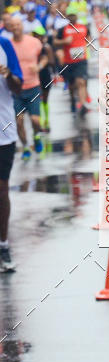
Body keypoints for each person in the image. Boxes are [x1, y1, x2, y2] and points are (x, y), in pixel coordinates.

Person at [0, 33, 22, 271]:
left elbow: (18, 85)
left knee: (2, 190)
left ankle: (3, 245)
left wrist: (7, 75)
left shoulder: (4, 45)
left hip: (3, 133)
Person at [11, 17, 43, 157]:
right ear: (10, 28)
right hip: (16, 90)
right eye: (13, 25)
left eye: (18, 25)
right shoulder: (8, 45)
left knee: (35, 120)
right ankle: (25, 147)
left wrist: (39, 66)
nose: (16, 28)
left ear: (22, 26)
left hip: (33, 87)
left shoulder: (34, 42)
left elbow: (45, 57)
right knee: (19, 121)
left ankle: (36, 137)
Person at [53, 2, 89, 116]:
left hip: (81, 60)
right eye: (70, 15)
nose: (72, 17)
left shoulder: (83, 27)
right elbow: (55, 41)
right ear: (67, 17)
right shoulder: (63, 29)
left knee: (81, 81)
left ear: (77, 16)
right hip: (69, 61)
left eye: (74, 15)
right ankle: (73, 99)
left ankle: (82, 105)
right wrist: (64, 41)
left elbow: (89, 38)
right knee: (72, 85)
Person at [31, 23, 55, 133]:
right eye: (35, 35)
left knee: (45, 99)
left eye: (39, 36)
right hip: (35, 76)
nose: (38, 38)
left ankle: (47, 121)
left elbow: (52, 62)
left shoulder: (46, 47)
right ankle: (40, 123)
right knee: (38, 98)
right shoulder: (30, 48)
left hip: (45, 75)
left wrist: (45, 58)